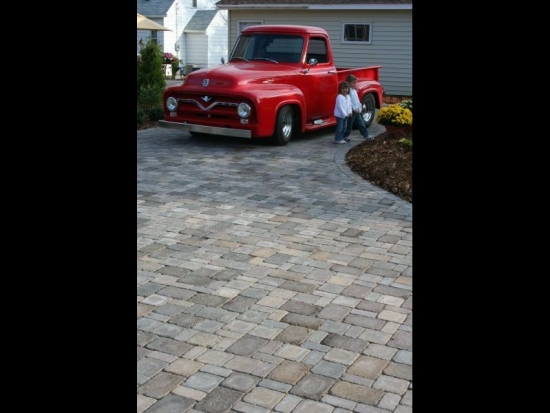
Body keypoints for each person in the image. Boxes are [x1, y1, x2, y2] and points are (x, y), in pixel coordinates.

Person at [344, 74, 374, 141]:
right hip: (351, 112)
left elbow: (357, 100)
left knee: (361, 123)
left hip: (357, 111)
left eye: (355, 83)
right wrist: (353, 109)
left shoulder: (354, 91)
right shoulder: (347, 92)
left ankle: (366, 135)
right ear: (348, 82)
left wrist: (359, 108)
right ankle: (344, 136)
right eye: (353, 83)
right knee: (349, 125)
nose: (354, 84)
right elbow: (349, 102)